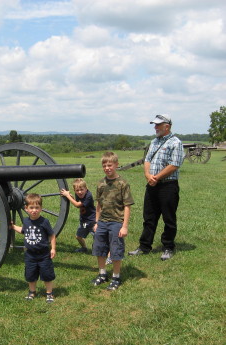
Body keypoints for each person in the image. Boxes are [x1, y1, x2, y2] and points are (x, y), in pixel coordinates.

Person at [129, 114, 184, 260]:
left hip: (168, 186)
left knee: (169, 218)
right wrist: (148, 175)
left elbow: (174, 164)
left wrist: (157, 177)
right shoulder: (154, 142)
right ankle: (144, 246)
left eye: (158, 125)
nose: (155, 127)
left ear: (167, 126)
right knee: (149, 217)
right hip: (152, 185)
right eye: (155, 124)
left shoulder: (176, 142)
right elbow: (147, 160)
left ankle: (168, 247)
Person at [92, 152, 134, 290]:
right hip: (102, 222)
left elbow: (127, 206)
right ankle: (102, 274)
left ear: (116, 164)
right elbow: (98, 205)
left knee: (116, 250)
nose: (107, 168)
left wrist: (124, 226)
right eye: (104, 165)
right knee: (99, 249)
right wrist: (96, 222)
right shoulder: (101, 184)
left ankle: (116, 276)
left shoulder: (122, 184)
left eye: (110, 165)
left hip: (116, 222)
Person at [10, 193, 56, 303]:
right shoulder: (26, 221)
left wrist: (53, 248)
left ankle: (49, 293)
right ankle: (32, 292)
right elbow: (23, 230)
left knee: (47, 274)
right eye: (31, 208)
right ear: (26, 209)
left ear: (41, 208)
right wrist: (12, 226)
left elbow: (52, 235)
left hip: (43, 254)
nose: (34, 210)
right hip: (30, 254)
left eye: (37, 208)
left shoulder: (44, 222)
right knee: (30, 275)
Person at [60, 178, 96, 253]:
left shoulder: (88, 196)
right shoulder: (78, 195)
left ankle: (102, 250)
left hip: (92, 220)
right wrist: (71, 196)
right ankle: (84, 248)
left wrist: (67, 196)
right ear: (74, 190)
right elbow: (77, 202)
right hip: (84, 220)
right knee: (78, 236)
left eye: (81, 189)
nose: (79, 192)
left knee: (97, 237)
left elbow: (77, 204)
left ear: (86, 189)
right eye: (77, 190)